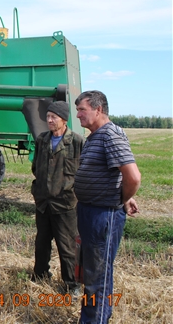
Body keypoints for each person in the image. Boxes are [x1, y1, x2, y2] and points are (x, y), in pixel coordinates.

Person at [74, 90, 141, 324]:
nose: (78, 114)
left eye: (82, 109)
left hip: (103, 214)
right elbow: (114, 173)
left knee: (97, 275)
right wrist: (122, 194)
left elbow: (133, 177)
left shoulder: (110, 135)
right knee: (94, 271)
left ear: (98, 109)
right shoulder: (96, 136)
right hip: (91, 211)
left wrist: (121, 199)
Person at [30, 101, 84, 295]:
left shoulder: (77, 142)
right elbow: (36, 167)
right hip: (43, 202)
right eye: (48, 117)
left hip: (66, 204)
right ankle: (40, 275)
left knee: (67, 246)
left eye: (54, 117)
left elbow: (83, 172)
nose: (49, 120)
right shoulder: (42, 140)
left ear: (64, 119)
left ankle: (72, 284)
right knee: (41, 243)